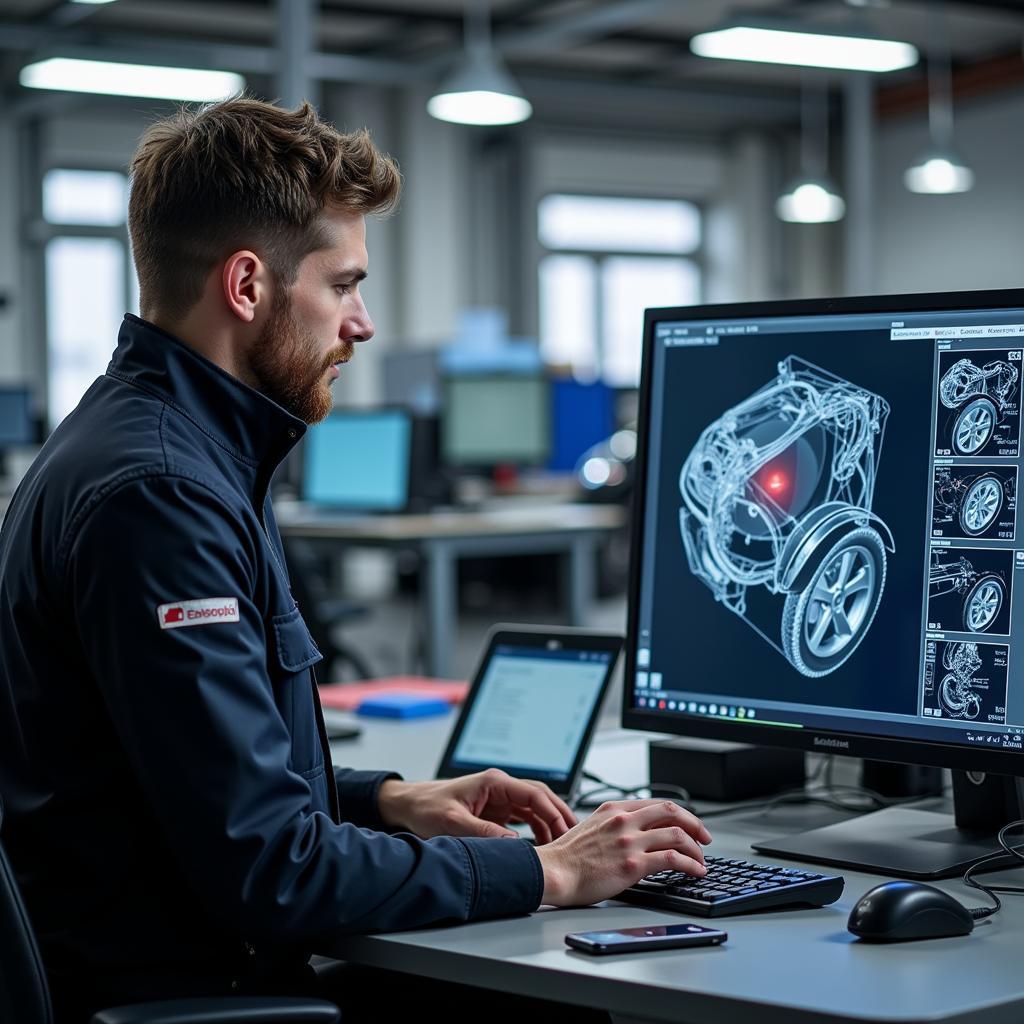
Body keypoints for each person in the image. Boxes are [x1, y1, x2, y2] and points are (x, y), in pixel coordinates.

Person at [0, 97, 711, 1023]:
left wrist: (392, 800)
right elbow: (270, 871)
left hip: (184, 956)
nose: (363, 323)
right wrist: (544, 868)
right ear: (247, 286)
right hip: (191, 991)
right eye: (343, 285)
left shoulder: (155, 445)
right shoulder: (162, 494)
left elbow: (185, 783)